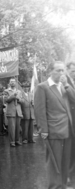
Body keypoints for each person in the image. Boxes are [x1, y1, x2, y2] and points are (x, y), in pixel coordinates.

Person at [34, 61, 75, 189]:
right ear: (50, 71)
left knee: (65, 161)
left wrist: (67, 85)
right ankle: (54, 186)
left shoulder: (64, 86)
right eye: (58, 70)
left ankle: (62, 185)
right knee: (54, 162)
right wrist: (43, 130)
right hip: (53, 130)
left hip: (67, 130)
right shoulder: (43, 87)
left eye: (63, 70)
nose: (61, 73)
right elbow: (39, 111)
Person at [4, 78, 24, 147]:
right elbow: (6, 100)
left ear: (15, 83)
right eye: (11, 82)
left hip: (18, 111)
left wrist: (18, 99)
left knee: (17, 127)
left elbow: (22, 101)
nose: (12, 83)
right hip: (11, 111)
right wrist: (13, 96)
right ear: (9, 83)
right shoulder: (6, 91)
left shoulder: (19, 91)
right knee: (12, 128)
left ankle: (17, 140)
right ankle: (12, 141)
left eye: (13, 82)